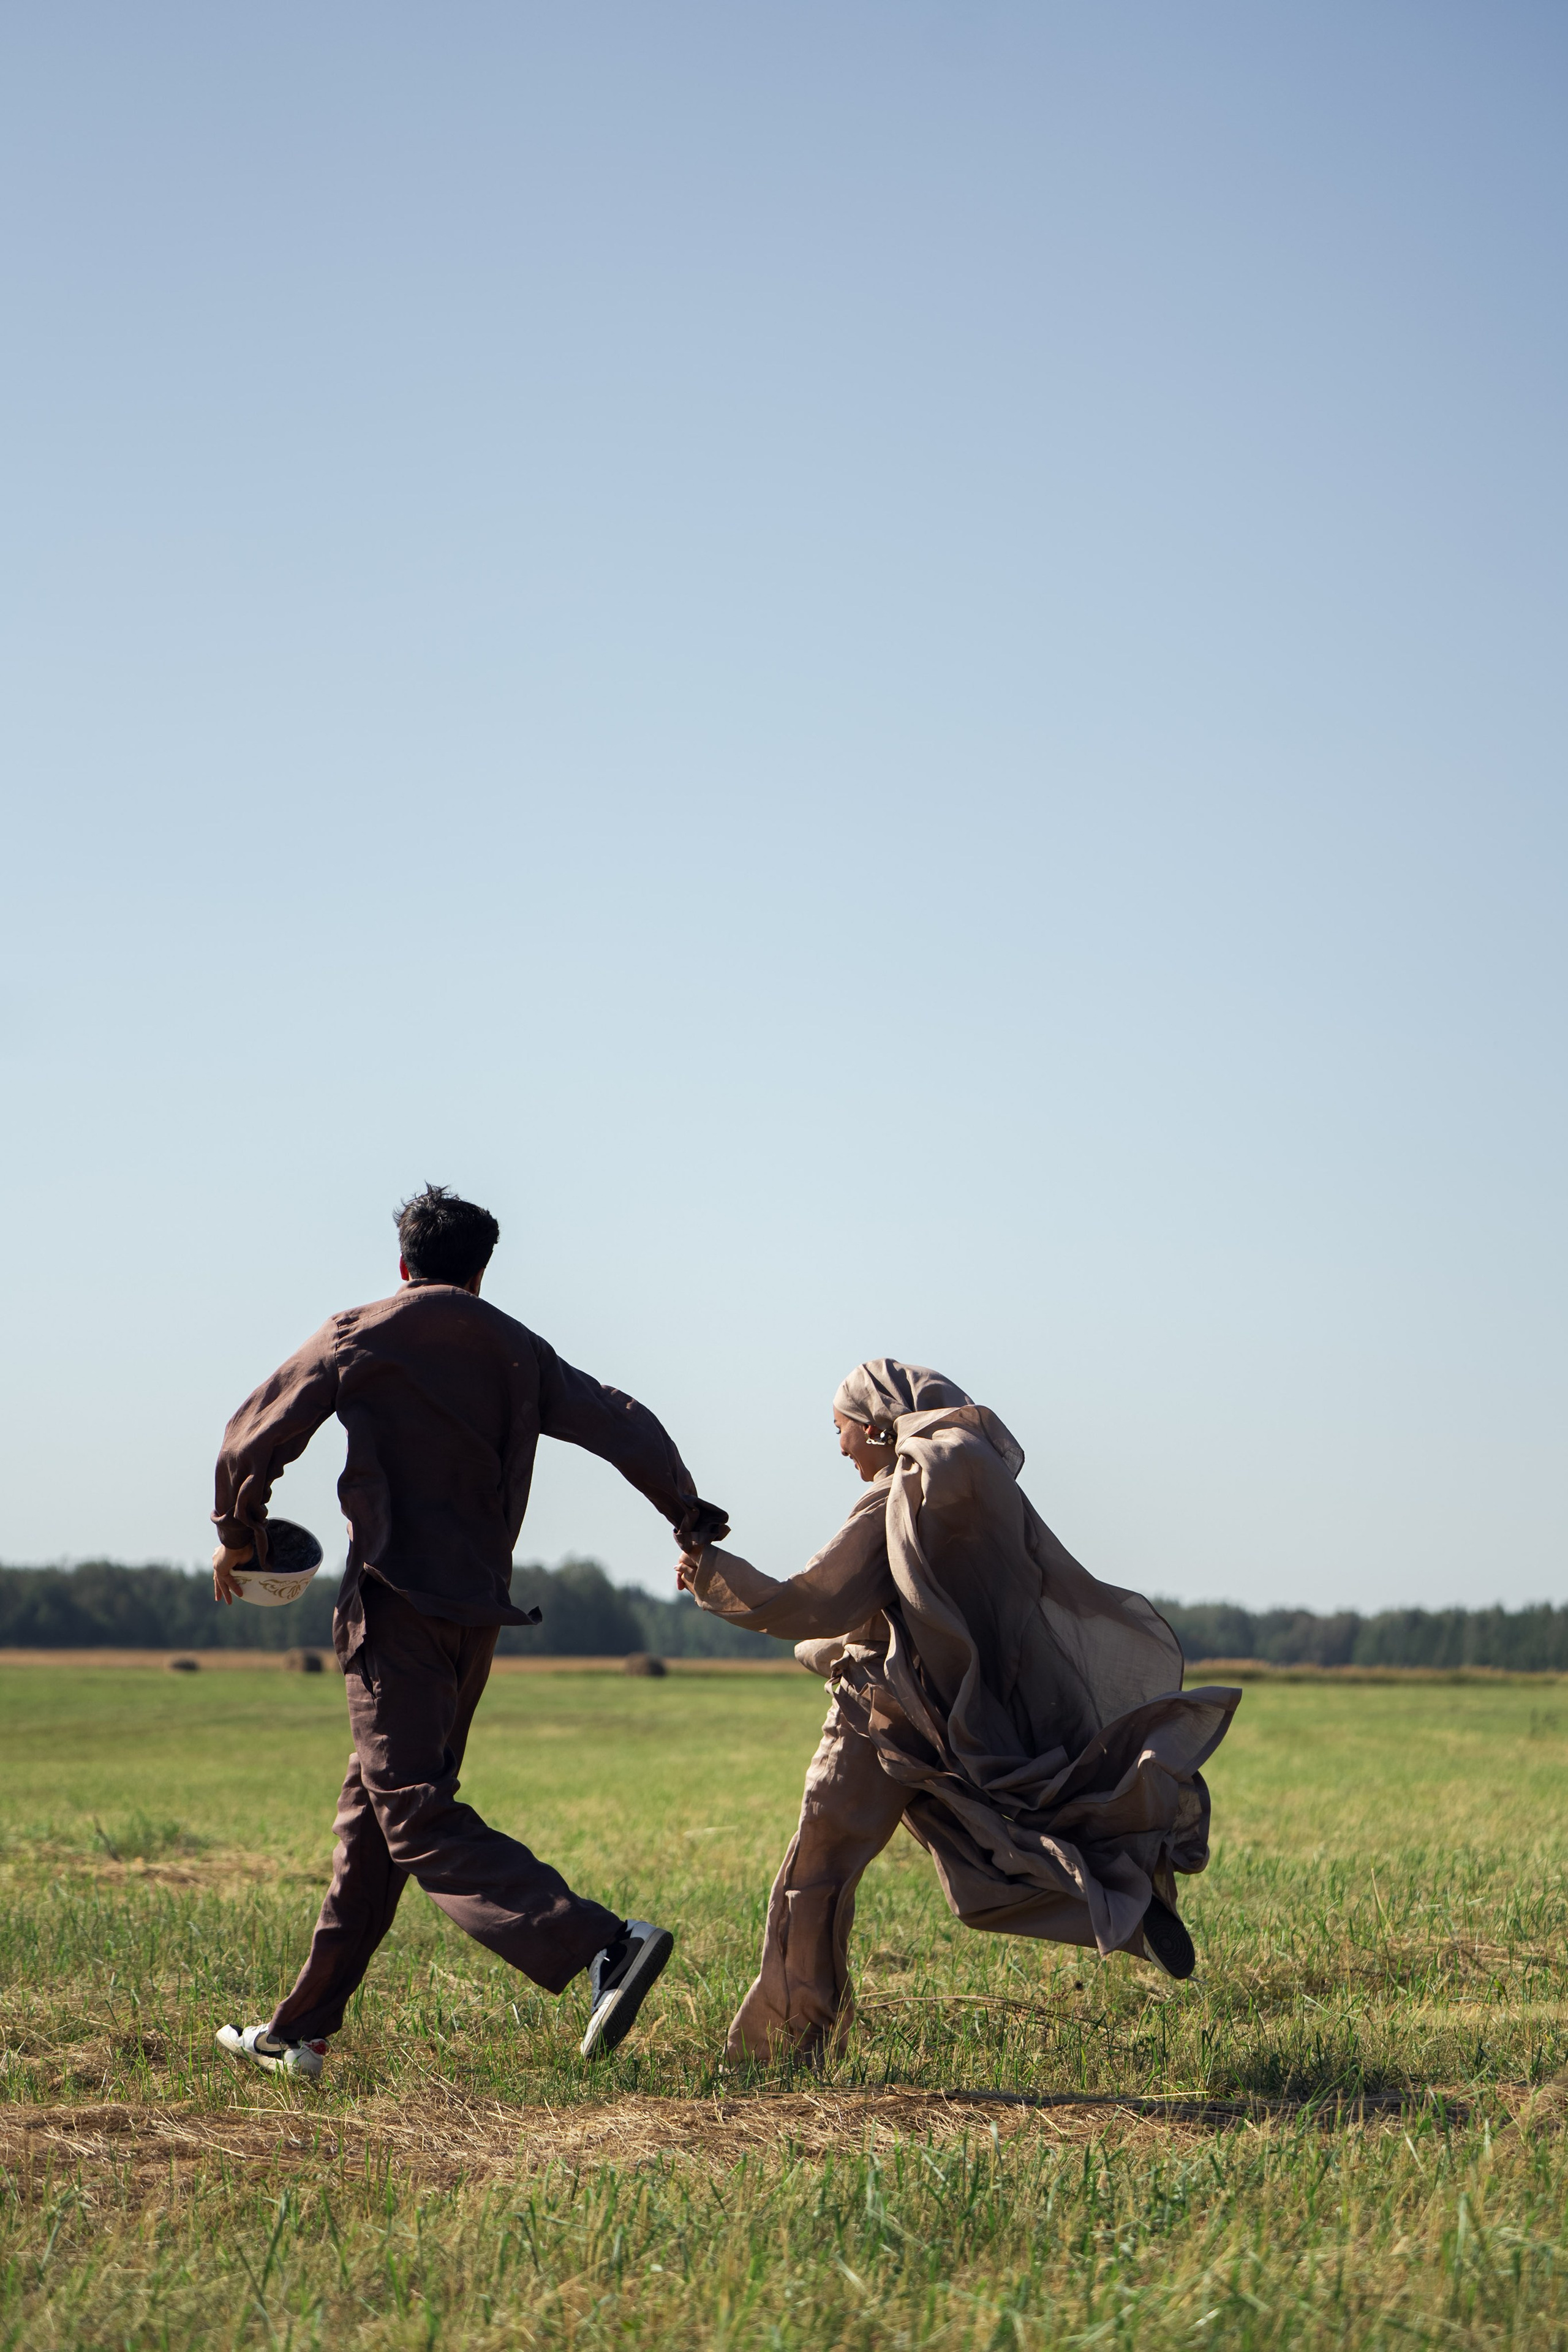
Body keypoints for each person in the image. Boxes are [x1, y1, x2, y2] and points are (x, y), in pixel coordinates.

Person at [209, 1184, 728, 2081]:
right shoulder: (518, 1350)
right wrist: (685, 1511)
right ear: (481, 1271)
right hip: (475, 1619)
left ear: (404, 1264)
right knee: (373, 1826)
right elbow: (621, 1421)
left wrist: (239, 1536)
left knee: (410, 1812)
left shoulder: (357, 1334)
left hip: (395, 1607)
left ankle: (604, 1944)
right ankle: (299, 2031)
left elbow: (252, 1437)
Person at [677, 1359, 1239, 2064]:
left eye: (841, 1429)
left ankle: (784, 2045)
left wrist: (708, 1576)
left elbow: (819, 1601)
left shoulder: (895, 1501)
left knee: (816, 1872)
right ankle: (1124, 1902)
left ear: (879, 1423)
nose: (840, 1447)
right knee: (987, 1861)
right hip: (948, 1726)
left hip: (878, 1718)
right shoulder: (970, 1497)